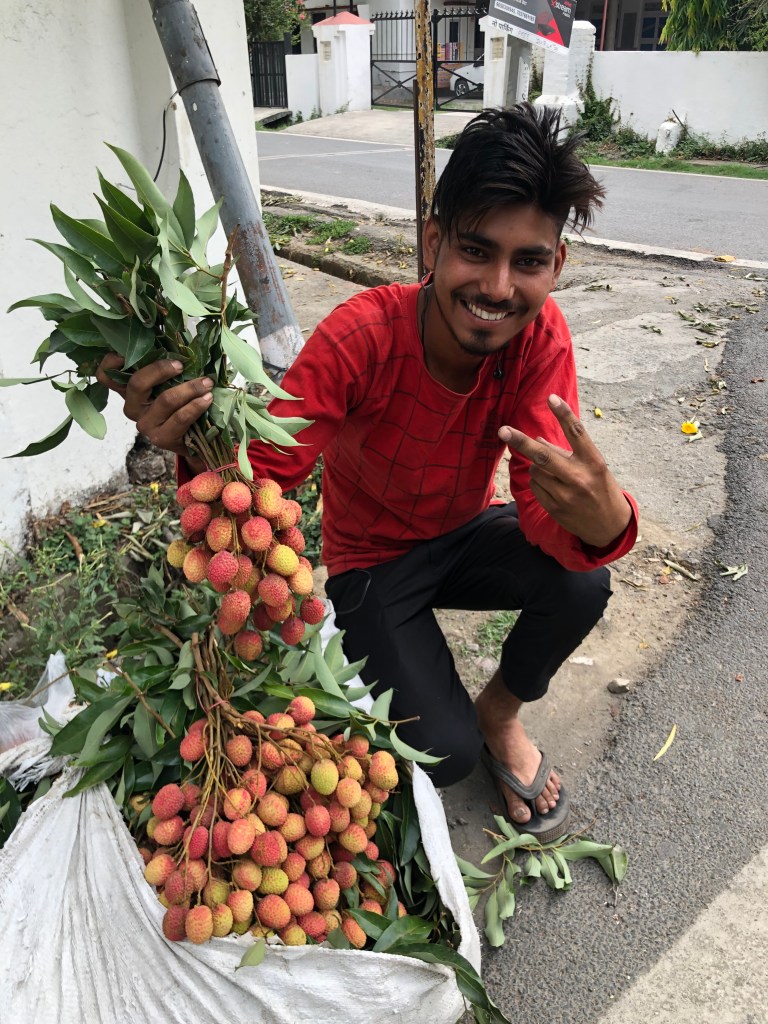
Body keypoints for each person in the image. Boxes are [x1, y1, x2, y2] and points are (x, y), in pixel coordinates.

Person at [98, 104, 638, 842]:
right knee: (441, 758)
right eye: (476, 252)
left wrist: (604, 522)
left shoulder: (538, 338)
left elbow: (542, 508)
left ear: (556, 266)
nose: (498, 288)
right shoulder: (360, 336)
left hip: (468, 532)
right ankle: (438, 703)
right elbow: (269, 472)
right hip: (374, 561)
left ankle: (500, 712)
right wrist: (188, 444)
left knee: (586, 580)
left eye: (529, 262)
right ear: (434, 242)